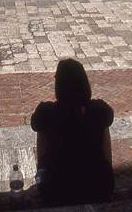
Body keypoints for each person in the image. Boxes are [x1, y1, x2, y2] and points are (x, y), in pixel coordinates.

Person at [31, 59, 114, 206]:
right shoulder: (99, 110)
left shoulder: (46, 112)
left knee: (43, 128)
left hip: (55, 189)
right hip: (98, 186)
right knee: (102, 126)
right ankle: (104, 168)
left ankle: (42, 172)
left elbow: (37, 126)